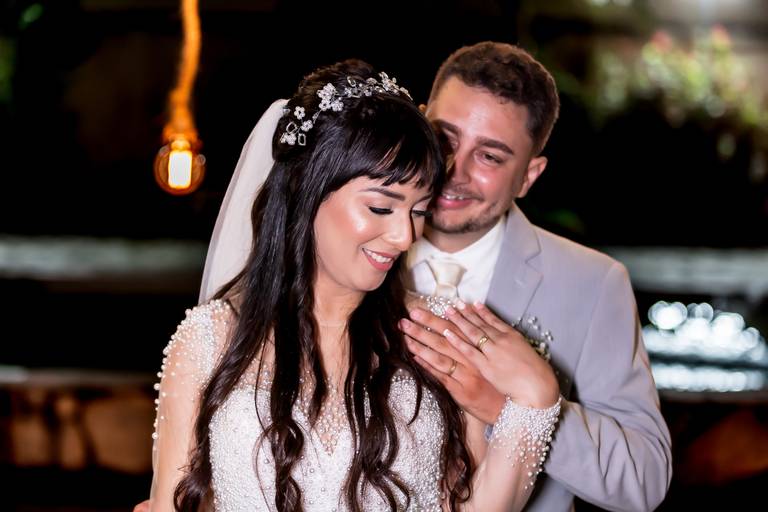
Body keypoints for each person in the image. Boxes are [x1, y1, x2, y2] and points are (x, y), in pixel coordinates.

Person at [200, 43, 673, 511]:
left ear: (529, 175)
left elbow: (644, 479)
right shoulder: (346, 250)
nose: (453, 170)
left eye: (490, 157)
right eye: (445, 139)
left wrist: (507, 407)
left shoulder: (592, 283)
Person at [149, 59, 562, 511]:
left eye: (419, 211)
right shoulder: (208, 340)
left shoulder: (438, 334)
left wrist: (537, 399)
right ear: (307, 191)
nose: (405, 236)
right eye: (381, 208)